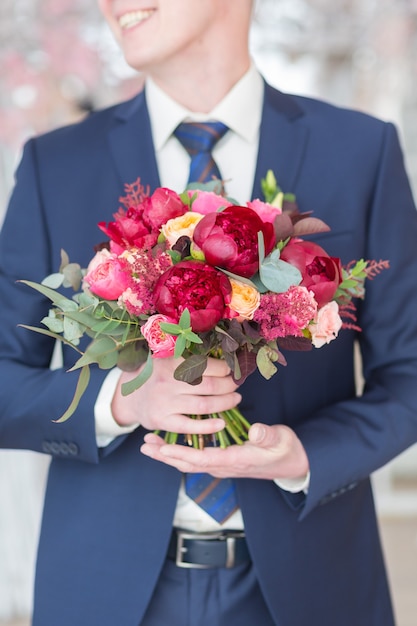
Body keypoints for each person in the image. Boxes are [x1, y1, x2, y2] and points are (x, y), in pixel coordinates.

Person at [1, 1, 417, 624]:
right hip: (106, 590)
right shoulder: (55, 165)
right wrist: (122, 401)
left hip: (311, 587)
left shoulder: (361, 149)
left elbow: (409, 375)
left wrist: (308, 453)